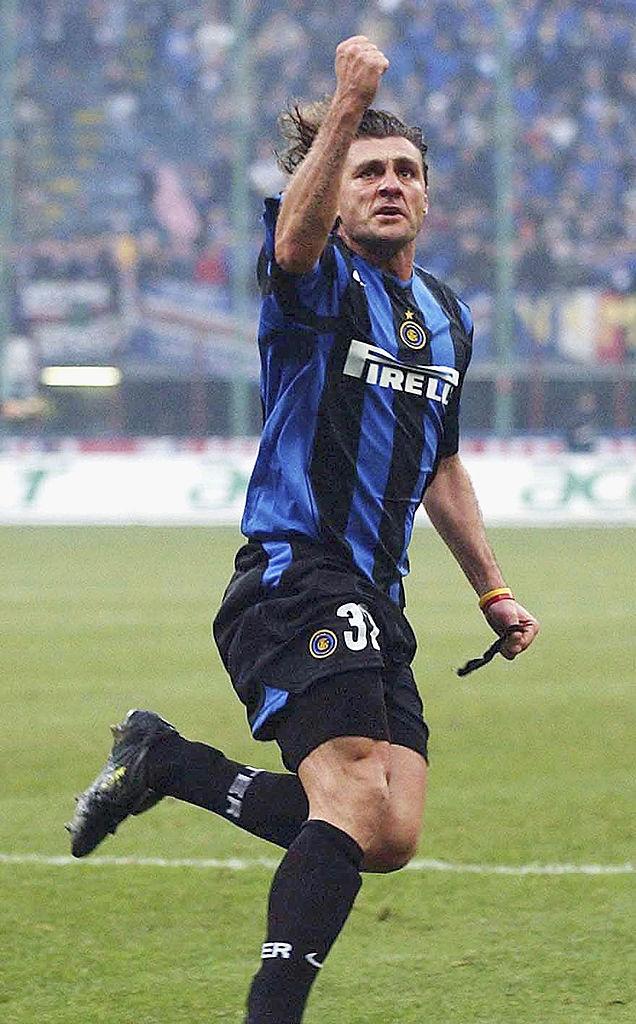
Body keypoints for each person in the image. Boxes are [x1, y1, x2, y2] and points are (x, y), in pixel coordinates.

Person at [67, 37, 540, 1024]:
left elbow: (442, 465)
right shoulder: (318, 281)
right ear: (335, 190)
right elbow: (292, 243)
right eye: (368, 171)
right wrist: (347, 104)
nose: (390, 184)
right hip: (297, 572)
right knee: (355, 797)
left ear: (428, 193)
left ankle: (167, 762)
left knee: (389, 831)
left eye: (405, 170)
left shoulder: (447, 315)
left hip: (378, 591)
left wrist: (492, 588)